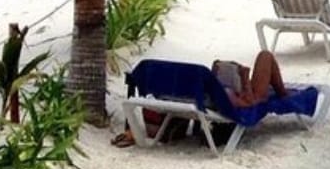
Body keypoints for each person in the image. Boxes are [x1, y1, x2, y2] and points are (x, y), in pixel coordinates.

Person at [111, 51, 294, 148]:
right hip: (245, 98)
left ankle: (281, 90)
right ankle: (284, 93)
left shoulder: (191, 93)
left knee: (226, 66)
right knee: (265, 56)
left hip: (213, 96)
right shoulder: (220, 105)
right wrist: (244, 80)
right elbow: (249, 104)